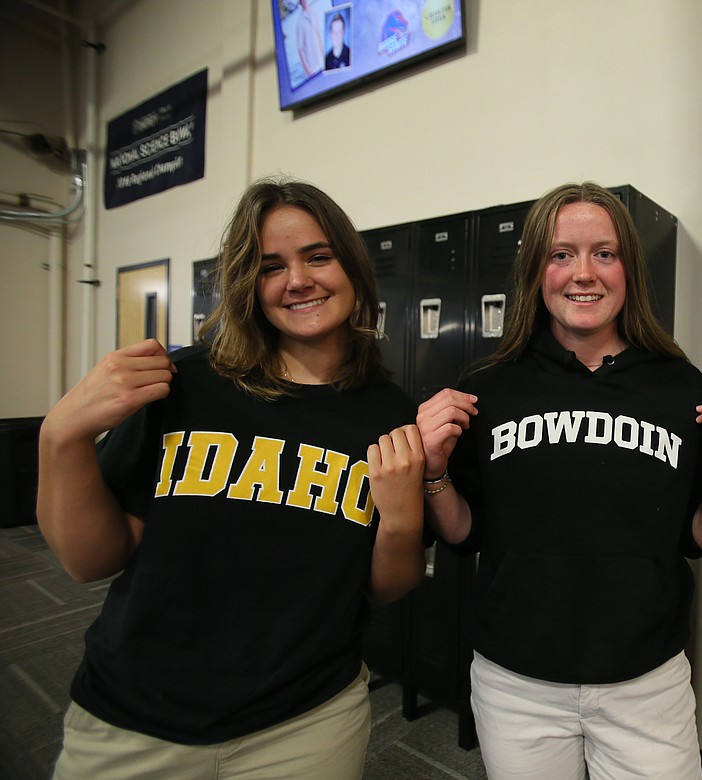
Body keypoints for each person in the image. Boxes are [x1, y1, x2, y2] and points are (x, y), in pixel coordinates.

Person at [37, 178, 427, 779]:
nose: (298, 279)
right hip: (135, 717)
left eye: (318, 256)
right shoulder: (183, 384)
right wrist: (60, 439)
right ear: (250, 283)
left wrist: (401, 518)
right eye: (271, 266)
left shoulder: (389, 414)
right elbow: (91, 561)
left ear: (352, 266)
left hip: (308, 723)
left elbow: (389, 589)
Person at [417, 181, 702, 779]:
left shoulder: (678, 385)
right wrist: (435, 473)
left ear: (629, 269)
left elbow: (696, 536)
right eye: (561, 254)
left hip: (646, 683)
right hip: (516, 684)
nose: (584, 273)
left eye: (604, 253)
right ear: (535, 271)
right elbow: (463, 534)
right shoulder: (489, 385)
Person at [296, 0, 323, 80]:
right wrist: (308, 70)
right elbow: (300, 49)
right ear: (300, 2)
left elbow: (318, 34)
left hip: (321, 61)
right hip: (312, 67)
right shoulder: (299, 23)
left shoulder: (313, 13)